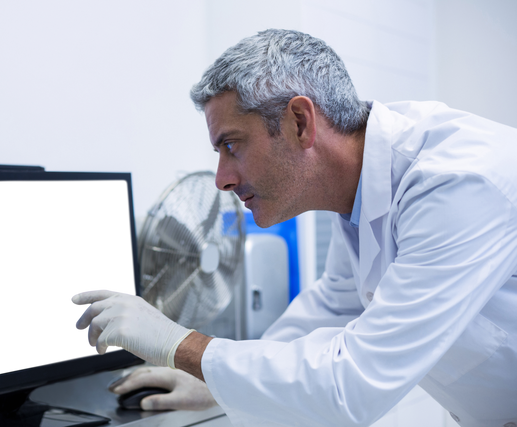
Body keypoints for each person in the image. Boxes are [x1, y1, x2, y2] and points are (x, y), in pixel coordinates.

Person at [68, 29, 517, 426]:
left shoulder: (457, 183)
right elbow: (334, 305)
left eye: (231, 145)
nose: (221, 178)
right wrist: (211, 380)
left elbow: (351, 387)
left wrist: (180, 345)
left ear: (300, 123)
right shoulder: (361, 189)